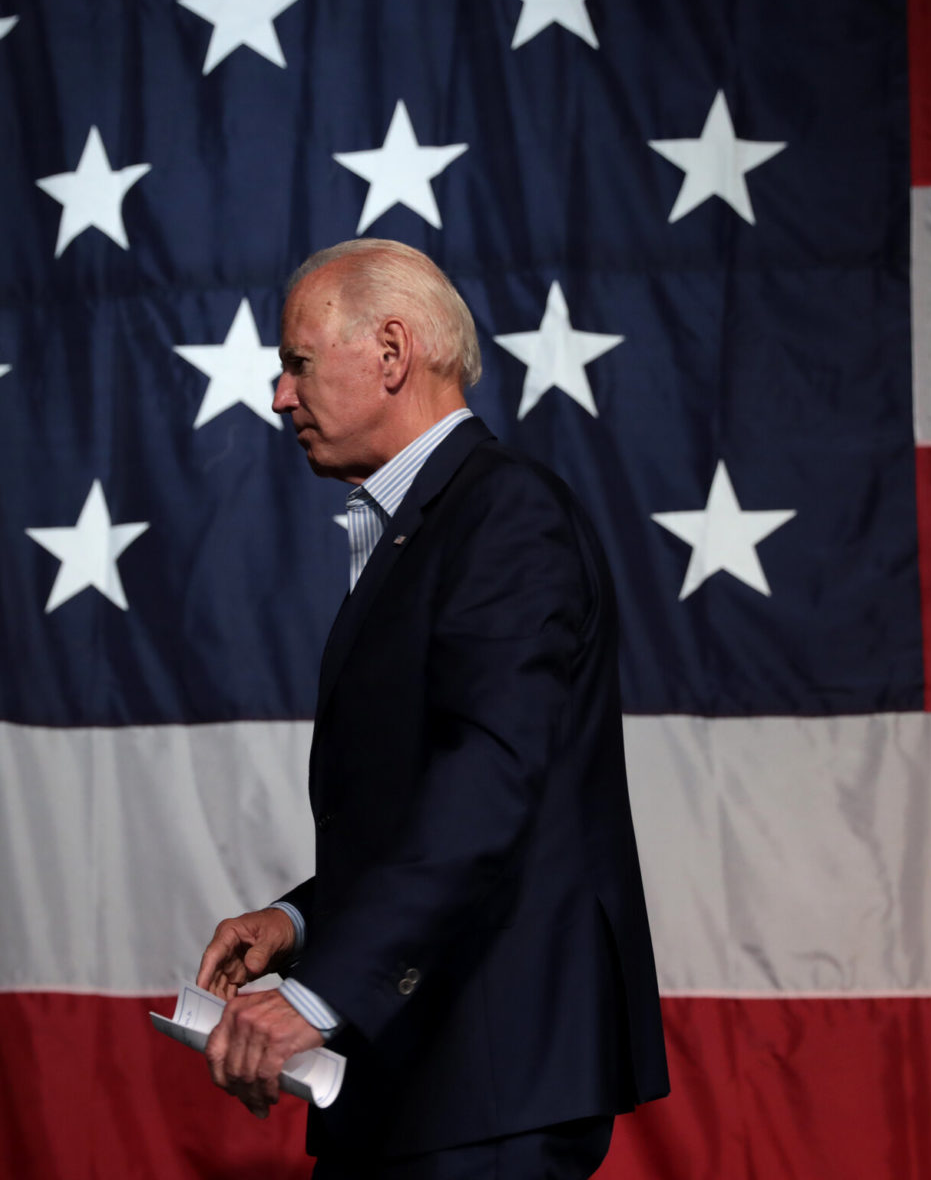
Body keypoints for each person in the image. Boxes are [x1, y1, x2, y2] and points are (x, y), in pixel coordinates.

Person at [196, 238, 669, 1178]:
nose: (279, 396)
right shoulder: (430, 524)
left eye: (295, 363)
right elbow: (437, 807)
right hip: (424, 1084)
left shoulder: (503, 515)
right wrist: (301, 925)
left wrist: (319, 998)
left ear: (392, 352)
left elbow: (491, 786)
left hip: (486, 1086)